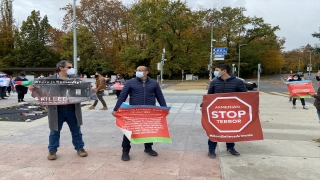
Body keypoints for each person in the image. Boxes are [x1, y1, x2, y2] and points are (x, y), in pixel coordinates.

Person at [29, 60, 88, 160]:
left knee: (76, 131)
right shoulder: (49, 80)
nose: (71, 69)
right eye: (69, 67)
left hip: (72, 110)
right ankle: (52, 151)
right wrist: (33, 89)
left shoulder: (75, 79)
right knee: (54, 132)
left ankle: (80, 148)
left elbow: (85, 90)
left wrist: (91, 90)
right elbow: (41, 91)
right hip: (56, 111)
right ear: (61, 68)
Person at [112, 66, 167, 161]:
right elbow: (122, 97)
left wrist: (164, 108)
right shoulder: (130, 83)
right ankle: (125, 151)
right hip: (134, 112)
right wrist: (116, 109)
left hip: (149, 111)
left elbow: (160, 96)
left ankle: (148, 148)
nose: (139, 72)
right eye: (137, 70)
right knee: (128, 131)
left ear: (146, 72)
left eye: (141, 70)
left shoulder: (154, 83)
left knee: (148, 130)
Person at [200, 64, 247, 158]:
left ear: (224, 71)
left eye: (217, 70)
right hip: (217, 111)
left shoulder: (238, 82)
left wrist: (253, 108)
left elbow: (246, 97)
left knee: (231, 130)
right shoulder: (214, 82)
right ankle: (212, 150)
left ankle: (230, 148)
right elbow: (209, 95)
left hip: (231, 112)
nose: (215, 72)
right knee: (214, 130)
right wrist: (203, 105)